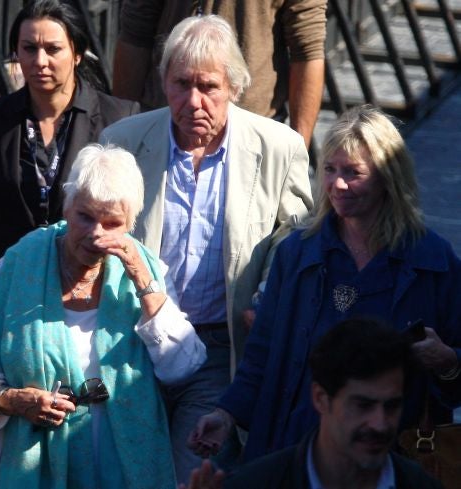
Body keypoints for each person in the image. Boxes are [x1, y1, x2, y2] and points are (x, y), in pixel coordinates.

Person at [100, 15, 313, 483]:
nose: (193, 101)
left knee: (193, 475)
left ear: (234, 87)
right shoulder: (124, 142)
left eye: (207, 86)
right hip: (133, 342)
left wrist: (265, 292)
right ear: (164, 83)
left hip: (220, 348)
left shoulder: (278, 147)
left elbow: (295, 237)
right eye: (180, 84)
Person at [189, 105, 461, 464]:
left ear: (388, 178)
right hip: (296, 451)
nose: (338, 184)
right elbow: (262, 354)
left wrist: (447, 362)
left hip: (388, 458)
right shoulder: (297, 255)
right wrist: (225, 415)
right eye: (330, 170)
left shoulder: (432, 262)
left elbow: (454, 371)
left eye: (354, 172)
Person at [0, 0, 140, 465]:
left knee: (83, 431)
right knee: (5, 422)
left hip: (87, 299)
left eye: (53, 48)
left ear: (78, 52)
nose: (39, 61)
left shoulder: (119, 119)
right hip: (9, 296)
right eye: (28, 48)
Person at [0, 144, 205, 489]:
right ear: (67, 208)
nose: (96, 233)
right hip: (27, 466)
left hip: (126, 467)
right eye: (85, 216)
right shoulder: (18, 265)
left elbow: (183, 367)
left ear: (131, 224)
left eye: (112, 223)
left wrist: (144, 281)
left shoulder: (146, 270)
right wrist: (11, 401)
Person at [183, 318, 442, 489]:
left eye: (392, 406)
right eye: (362, 406)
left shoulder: (421, 485)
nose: (380, 423)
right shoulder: (257, 483)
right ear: (320, 398)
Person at [112, 0, 326, 148]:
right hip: (165, 121)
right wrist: (124, 136)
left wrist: (298, 150)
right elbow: (135, 33)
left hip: (253, 127)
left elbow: (308, 48)